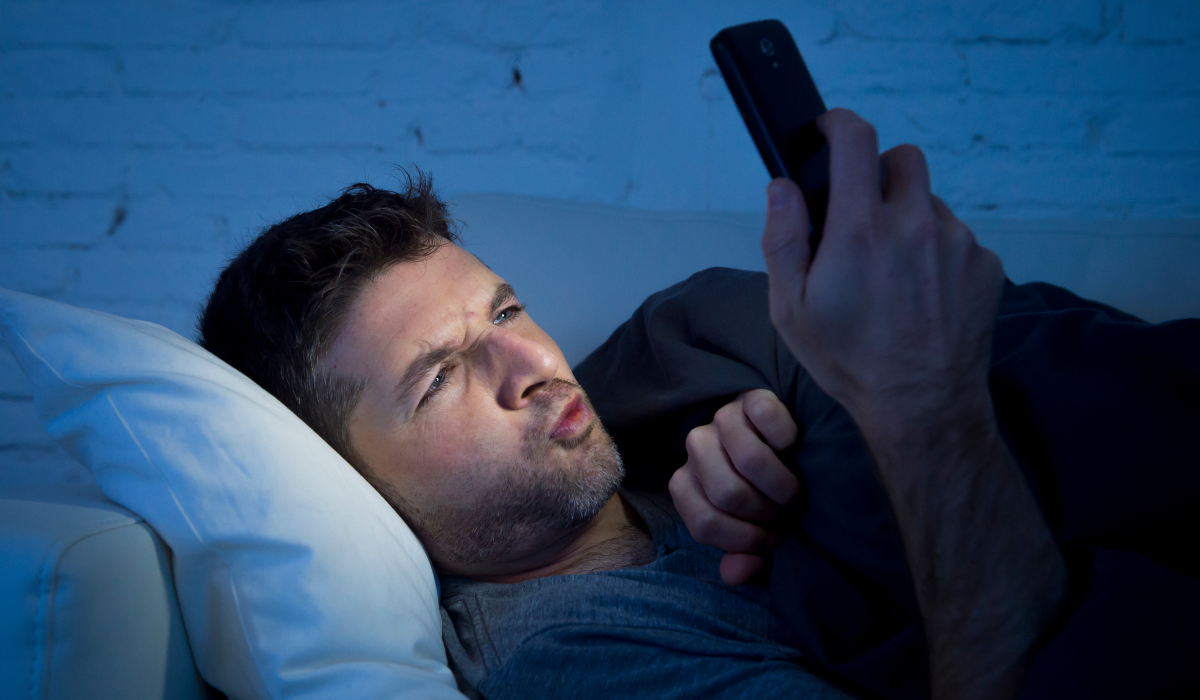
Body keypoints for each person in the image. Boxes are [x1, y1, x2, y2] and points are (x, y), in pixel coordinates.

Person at [198, 109, 1199, 700]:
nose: (530, 362)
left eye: (505, 309)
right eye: (440, 376)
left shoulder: (660, 406)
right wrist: (917, 404)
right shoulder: (571, 654)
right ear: (351, 478)